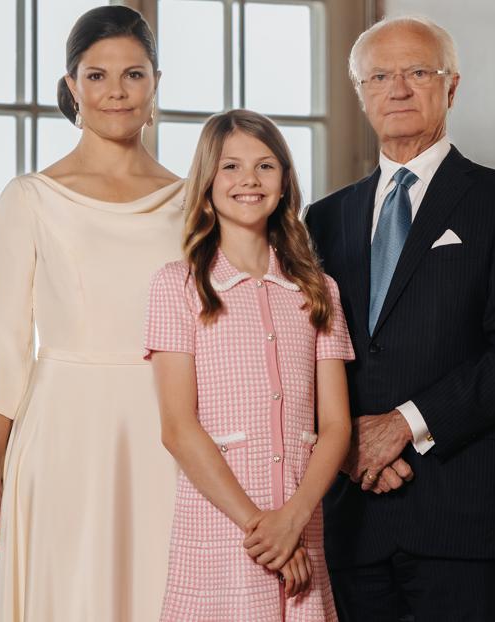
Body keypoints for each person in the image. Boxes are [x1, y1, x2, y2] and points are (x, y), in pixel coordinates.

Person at [304, 16, 495, 622]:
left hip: (461, 512)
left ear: (453, 86)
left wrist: (404, 424)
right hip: (351, 512)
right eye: (380, 76)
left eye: (419, 72)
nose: (398, 88)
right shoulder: (324, 217)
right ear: (360, 92)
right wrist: (343, 450)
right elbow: (303, 353)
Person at [0, 6, 184, 621]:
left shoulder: (192, 198)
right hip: (63, 426)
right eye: (96, 76)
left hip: (168, 430)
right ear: (71, 86)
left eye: (133, 75)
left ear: (155, 84)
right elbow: (5, 348)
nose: (116, 92)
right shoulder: (30, 198)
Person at [144, 109, 354, 621]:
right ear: (208, 182)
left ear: (284, 182)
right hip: (222, 530)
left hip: (303, 525)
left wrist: (294, 519)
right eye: (231, 167)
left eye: (265, 166)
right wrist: (263, 527)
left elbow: (335, 426)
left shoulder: (319, 291)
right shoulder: (176, 286)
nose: (249, 180)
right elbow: (178, 427)